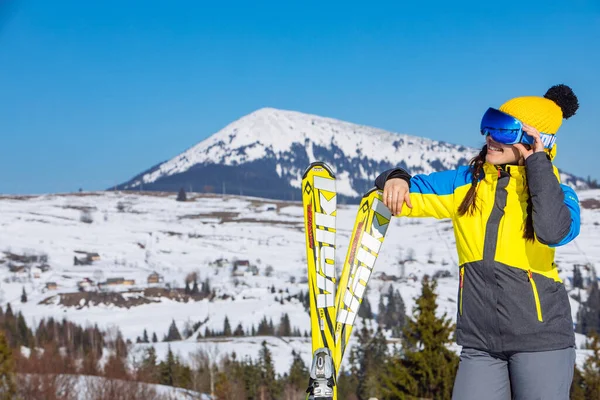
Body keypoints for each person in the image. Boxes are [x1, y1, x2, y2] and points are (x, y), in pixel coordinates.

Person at [375, 84, 581, 400]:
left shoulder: (558, 193)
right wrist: (396, 178)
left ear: (532, 140)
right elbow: (410, 192)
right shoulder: (466, 184)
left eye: (504, 130)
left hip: (542, 340)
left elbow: (553, 231)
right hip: (480, 342)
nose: (490, 136)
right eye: (490, 124)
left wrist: (538, 165)